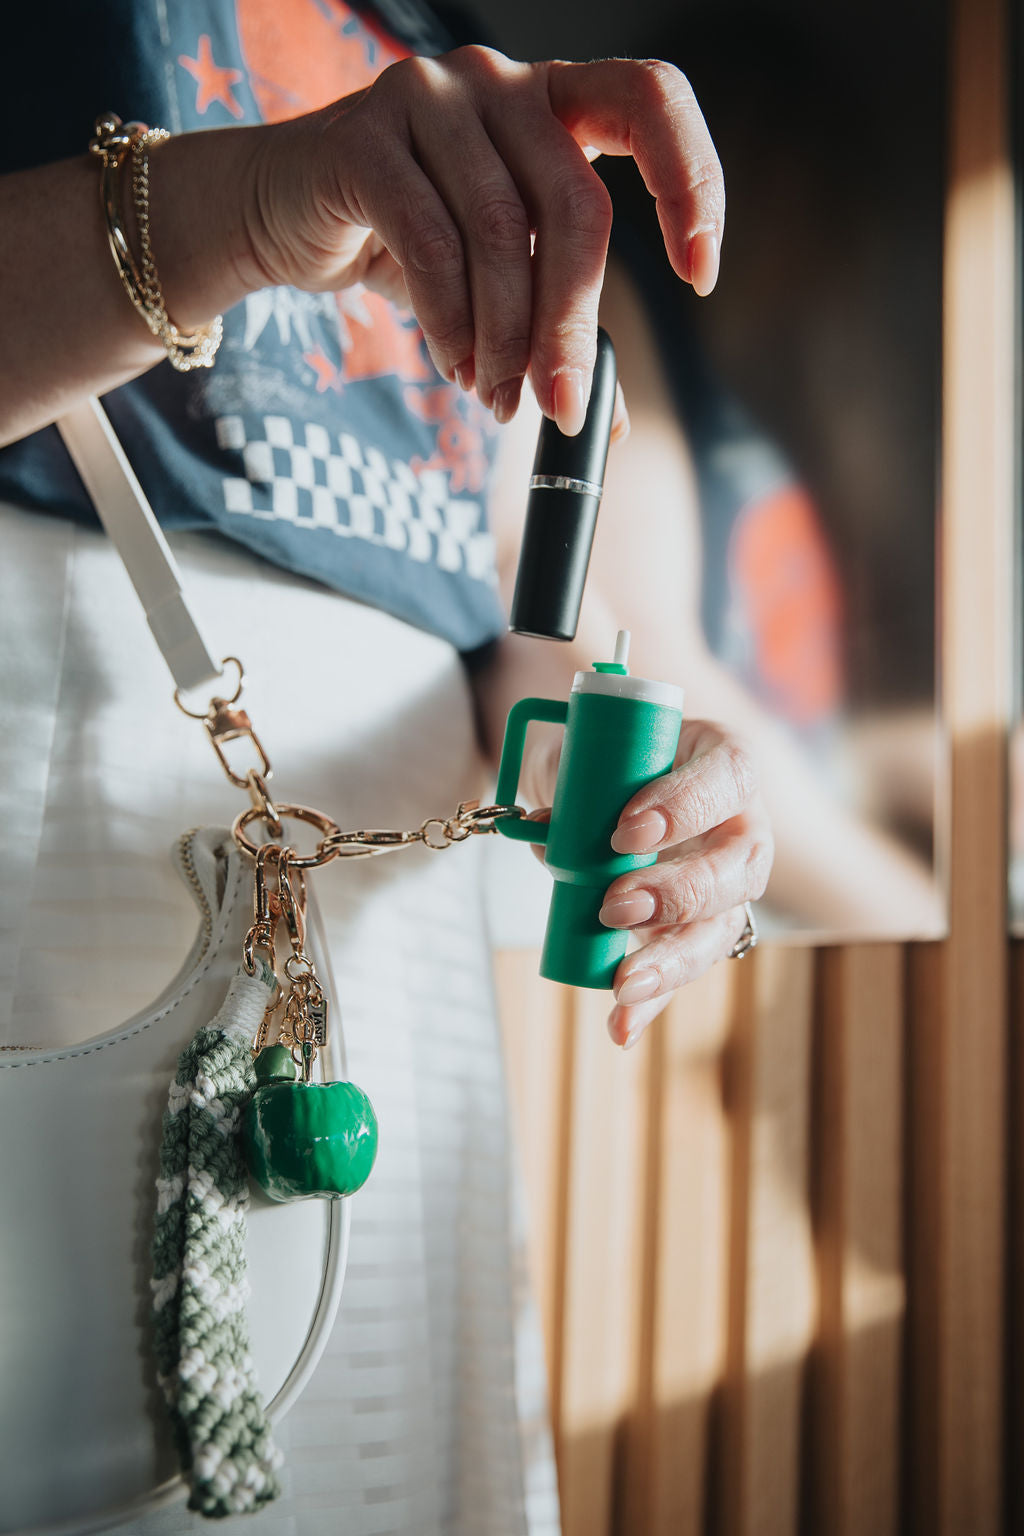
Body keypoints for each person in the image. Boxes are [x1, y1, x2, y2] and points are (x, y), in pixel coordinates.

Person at [0, 3, 768, 1532]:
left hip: (384, 994)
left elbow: (522, 615)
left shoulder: (451, 51)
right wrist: (235, 207)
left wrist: (671, 778)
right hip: (56, 852)